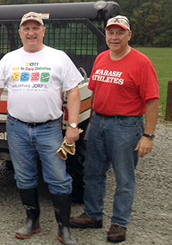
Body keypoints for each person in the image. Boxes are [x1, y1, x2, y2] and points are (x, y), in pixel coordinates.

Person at [0, 12, 82, 245]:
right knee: (24, 176)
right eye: (26, 29)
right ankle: (32, 220)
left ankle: (64, 227)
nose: (31, 33)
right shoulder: (10, 59)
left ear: (43, 31)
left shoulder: (58, 58)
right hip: (17, 128)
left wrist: (73, 126)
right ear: (20, 33)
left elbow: (74, 93)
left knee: (58, 178)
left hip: (50, 129)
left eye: (35, 28)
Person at [70, 15, 160, 243]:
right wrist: (89, 122)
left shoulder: (141, 63)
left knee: (124, 177)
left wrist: (148, 136)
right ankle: (93, 214)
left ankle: (119, 223)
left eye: (120, 32)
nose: (115, 37)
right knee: (93, 172)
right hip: (98, 122)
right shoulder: (101, 58)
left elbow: (152, 101)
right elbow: (95, 93)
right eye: (111, 32)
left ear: (129, 35)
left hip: (126, 126)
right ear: (106, 35)